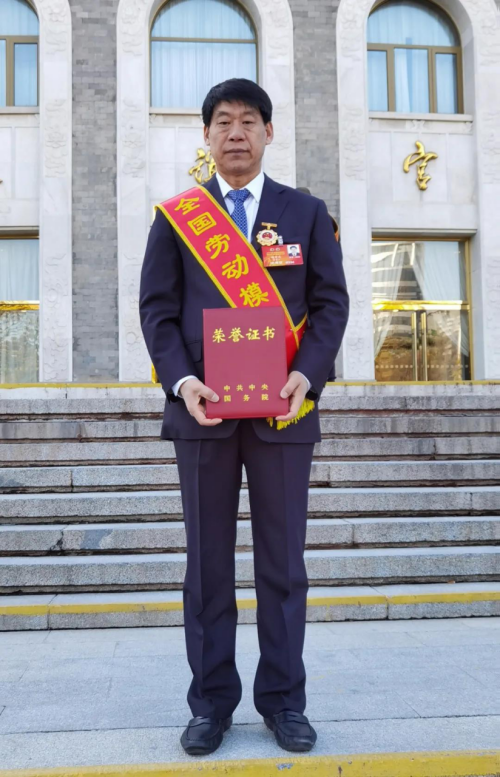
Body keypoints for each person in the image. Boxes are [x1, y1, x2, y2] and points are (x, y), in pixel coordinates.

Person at [139, 78, 349, 757]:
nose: (236, 132)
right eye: (224, 121)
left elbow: (331, 303)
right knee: (207, 568)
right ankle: (211, 704)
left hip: (284, 412)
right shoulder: (179, 218)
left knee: (284, 567)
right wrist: (182, 381)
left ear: (268, 133)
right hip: (202, 413)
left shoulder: (305, 212)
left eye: (249, 120)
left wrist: (306, 375)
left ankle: (284, 701)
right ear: (206, 135)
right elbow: (157, 310)